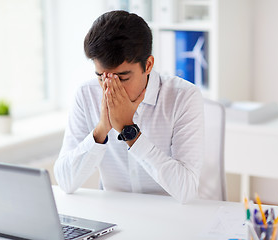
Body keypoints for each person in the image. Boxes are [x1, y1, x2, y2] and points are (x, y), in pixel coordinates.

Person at [54, 10, 204, 203]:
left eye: (122, 78)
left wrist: (129, 131)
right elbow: (65, 182)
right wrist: (101, 130)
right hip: (114, 219)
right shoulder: (86, 94)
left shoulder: (183, 97)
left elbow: (187, 190)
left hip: (171, 218)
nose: (110, 87)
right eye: (101, 77)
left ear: (148, 65)